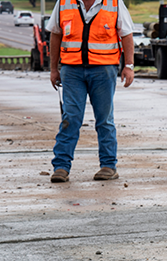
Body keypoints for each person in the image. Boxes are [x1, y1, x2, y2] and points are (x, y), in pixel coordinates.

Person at [46, 0, 135, 183]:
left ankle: (108, 166)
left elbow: (126, 35)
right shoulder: (64, 3)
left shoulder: (114, 4)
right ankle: (61, 167)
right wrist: (54, 68)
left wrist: (129, 66)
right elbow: (56, 34)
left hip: (103, 70)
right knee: (70, 118)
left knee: (104, 119)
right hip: (71, 70)